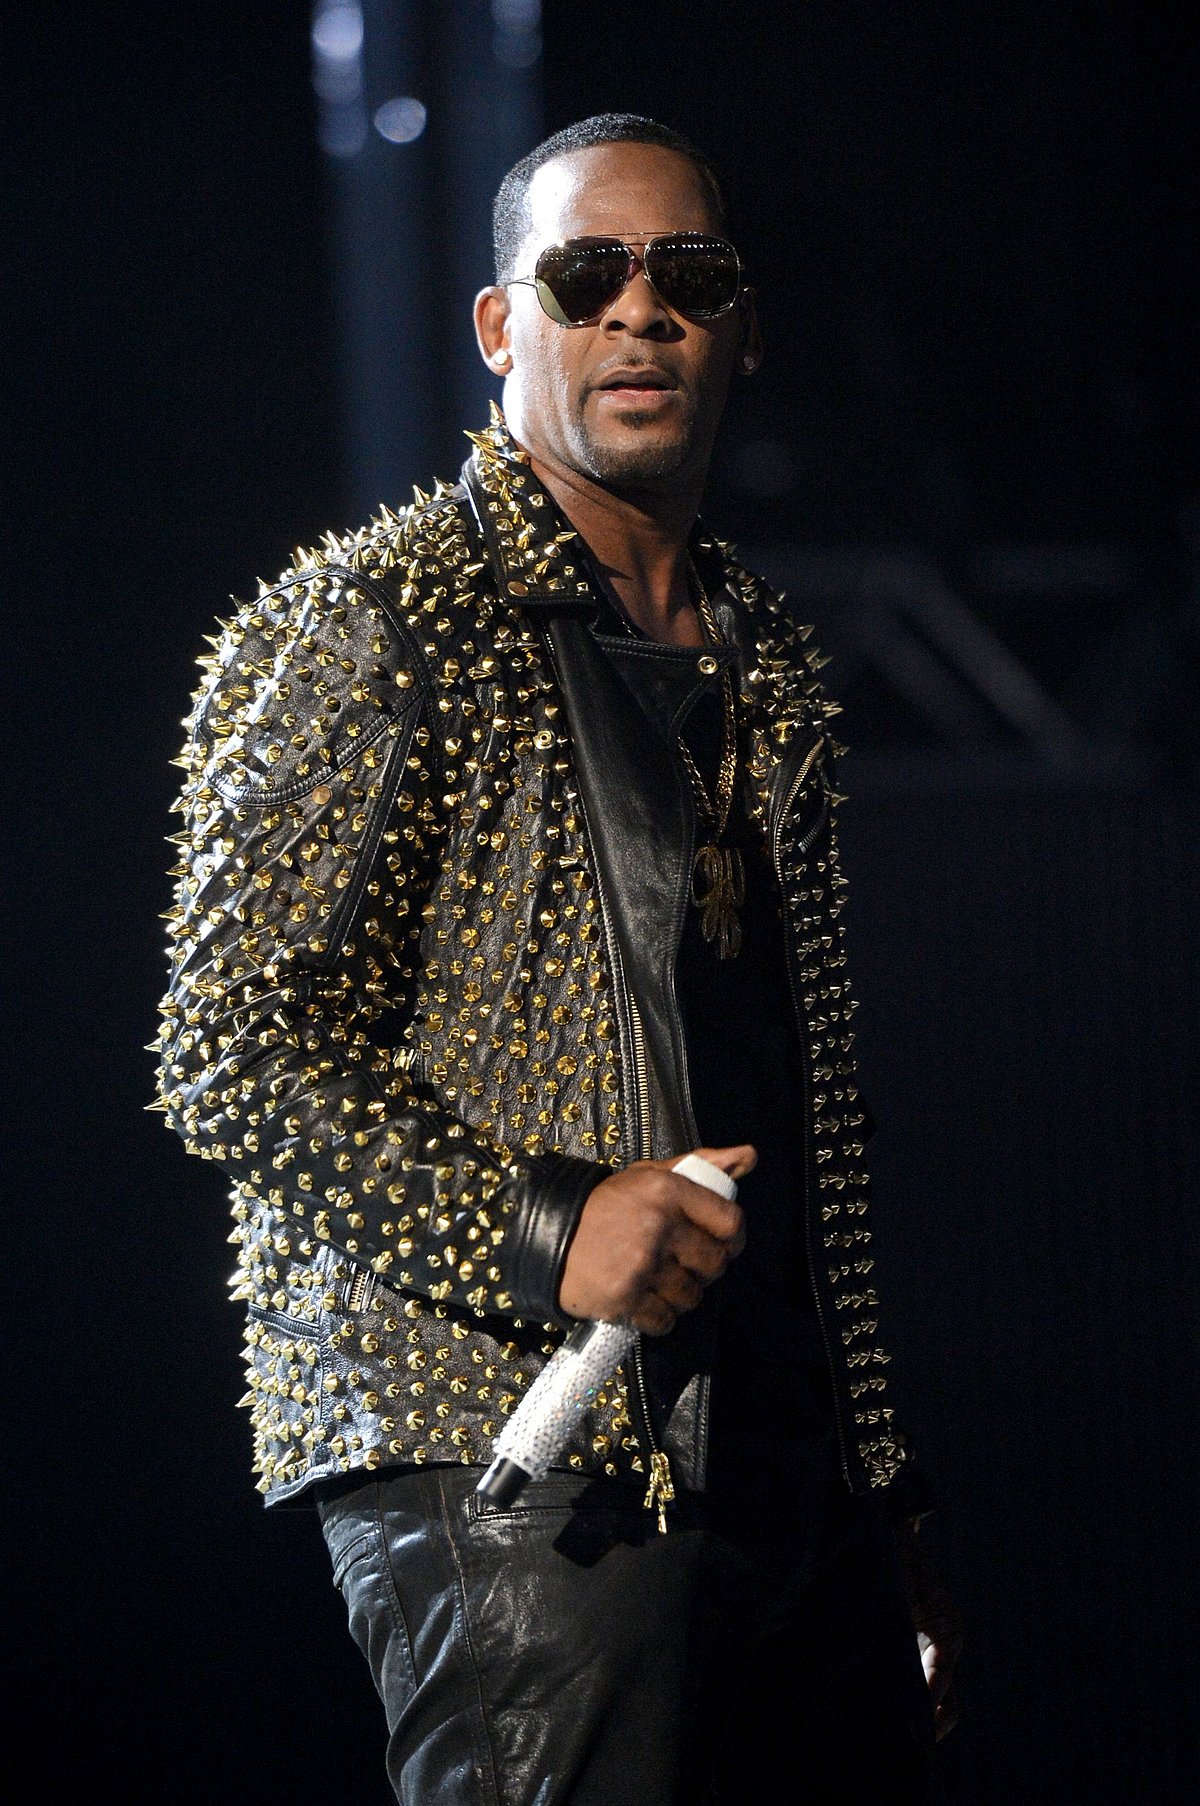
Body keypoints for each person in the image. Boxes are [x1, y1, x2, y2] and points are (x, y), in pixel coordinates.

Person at [156, 112, 962, 1804]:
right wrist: (546, 1221)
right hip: (514, 1461)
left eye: (692, 276)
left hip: (774, 1473)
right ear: (501, 324)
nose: (641, 312)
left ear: (743, 323)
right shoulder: (378, 621)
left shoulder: (765, 657)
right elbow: (227, 1046)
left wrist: (878, 1495)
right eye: (586, 275)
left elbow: (802, 1120)